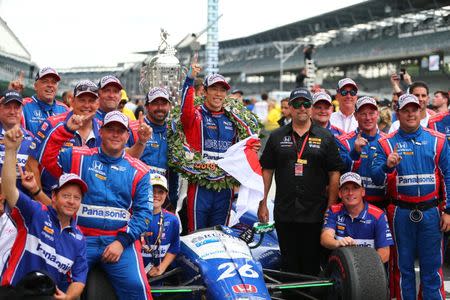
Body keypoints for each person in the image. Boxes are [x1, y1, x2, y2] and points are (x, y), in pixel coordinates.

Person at [38, 110, 153, 299]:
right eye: (110, 129)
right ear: (101, 131)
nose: (115, 134)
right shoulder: (78, 156)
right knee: (55, 284)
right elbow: (47, 158)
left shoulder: (139, 171)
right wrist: (66, 130)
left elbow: (144, 213)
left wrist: (121, 242)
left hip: (119, 242)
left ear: (127, 136)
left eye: (120, 130)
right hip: (78, 238)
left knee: (137, 287)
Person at [371, 93, 450, 299]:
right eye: (405, 110)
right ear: (398, 113)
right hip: (400, 213)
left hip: (431, 212)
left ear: (420, 110)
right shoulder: (385, 143)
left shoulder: (438, 140)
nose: (410, 114)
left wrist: (448, 211)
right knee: (402, 268)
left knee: (432, 268)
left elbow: (449, 176)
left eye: (414, 109)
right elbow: (375, 179)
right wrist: (387, 166)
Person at [258, 87, 343, 276]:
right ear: (290, 107)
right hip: (285, 211)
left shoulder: (325, 136)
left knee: (311, 265)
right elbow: (267, 170)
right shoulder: (277, 136)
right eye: (297, 104)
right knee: (289, 263)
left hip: (315, 212)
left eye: (306, 104)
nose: (302, 108)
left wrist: (331, 206)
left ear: (311, 107)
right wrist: (262, 202)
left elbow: (334, 173)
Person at [1, 125, 88, 298]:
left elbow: (79, 280)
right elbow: (10, 189)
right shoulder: (36, 213)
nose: (71, 201)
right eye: (66, 195)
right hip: (13, 292)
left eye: (76, 198)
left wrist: (69, 297)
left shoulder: (79, 239)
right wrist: (11, 151)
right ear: (54, 197)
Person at [180, 61, 258, 232]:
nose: (218, 93)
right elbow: (184, 110)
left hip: (224, 188)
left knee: (221, 233)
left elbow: (244, 148)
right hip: (200, 186)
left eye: (222, 90)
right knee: (196, 234)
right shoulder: (195, 115)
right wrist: (190, 79)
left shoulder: (233, 119)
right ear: (205, 91)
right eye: (214, 89)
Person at [27, 80, 102, 199]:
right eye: (82, 100)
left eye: (91, 101)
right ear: (72, 101)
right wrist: (42, 201)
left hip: (87, 204)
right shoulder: (52, 123)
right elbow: (31, 163)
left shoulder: (104, 130)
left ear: (98, 104)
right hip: (52, 200)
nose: (87, 105)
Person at [321, 172, 393, 263]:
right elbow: (325, 238)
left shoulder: (378, 215)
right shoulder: (334, 210)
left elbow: (385, 253)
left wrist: (358, 267)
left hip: (369, 270)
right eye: (346, 189)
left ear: (363, 192)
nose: (350, 193)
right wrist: (338, 243)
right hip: (341, 269)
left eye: (355, 188)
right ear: (340, 193)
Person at [336, 96, 387, 208]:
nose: (368, 118)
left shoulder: (388, 141)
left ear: (377, 114)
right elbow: (340, 173)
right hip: (351, 206)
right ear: (355, 116)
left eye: (371, 113)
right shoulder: (344, 141)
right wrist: (355, 152)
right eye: (363, 114)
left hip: (381, 204)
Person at [135, 87, 178, 207]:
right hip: (138, 193)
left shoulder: (173, 132)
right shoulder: (136, 127)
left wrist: (172, 200)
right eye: (155, 104)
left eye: (163, 104)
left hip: (161, 197)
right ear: (147, 106)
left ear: (169, 106)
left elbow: (174, 171)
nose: (160, 108)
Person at [141, 174, 180, 277]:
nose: (156, 195)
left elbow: (174, 247)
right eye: (152, 191)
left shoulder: (172, 220)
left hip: (158, 276)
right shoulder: (134, 216)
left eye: (160, 192)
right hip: (135, 273)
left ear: (166, 194)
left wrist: (161, 267)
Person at [21, 67, 68, 136]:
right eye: (45, 81)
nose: (50, 85)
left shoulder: (65, 110)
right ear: (35, 86)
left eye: (54, 82)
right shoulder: (23, 105)